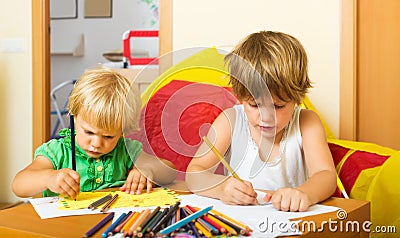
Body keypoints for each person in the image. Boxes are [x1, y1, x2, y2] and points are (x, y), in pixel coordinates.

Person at [186, 31, 336, 212]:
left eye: (278, 106)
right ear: (240, 98)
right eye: (254, 105)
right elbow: (194, 173)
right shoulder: (231, 120)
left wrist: (304, 193)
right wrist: (221, 188)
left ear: (297, 98)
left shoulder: (306, 122)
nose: (266, 117)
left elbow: (326, 175)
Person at [12, 68, 177, 199]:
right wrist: (48, 178)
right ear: (74, 117)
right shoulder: (57, 151)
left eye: (108, 136)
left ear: (122, 132)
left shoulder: (125, 150)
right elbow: (19, 185)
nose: (97, 143)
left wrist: (148, 170)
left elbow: (170, 171)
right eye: (89, 132)